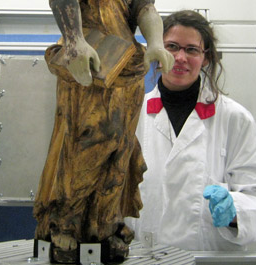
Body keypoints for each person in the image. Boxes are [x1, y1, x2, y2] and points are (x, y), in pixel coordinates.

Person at [33, 0, 174, 262]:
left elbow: (144, 7)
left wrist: (155, 42)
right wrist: (74, 41)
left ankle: (106, 223)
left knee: (121, 147)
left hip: (125, 64)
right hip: (86, 62)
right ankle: (66, 223)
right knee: (83, 143)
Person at [126, 10, 256, 251]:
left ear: (205, 58)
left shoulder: (235, 119)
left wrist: (235, 210)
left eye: (191, 49)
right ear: (157, 50)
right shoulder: (133, 115)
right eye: (171, 46)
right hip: (144, 255)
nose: (180, 57)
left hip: (208, 257)